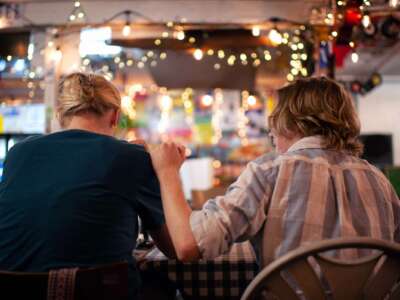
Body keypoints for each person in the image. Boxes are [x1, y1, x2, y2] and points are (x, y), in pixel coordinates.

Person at [149, 77, 400, 266]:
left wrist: (168, 171)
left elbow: (187, 246)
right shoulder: (378, 179)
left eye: (275, 121)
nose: (271, 134)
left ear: (292, 123)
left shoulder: (271, 170)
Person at [0, 72, 175, 298]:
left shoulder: (18, 153)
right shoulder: (131, 157)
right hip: (97, 293)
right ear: (115, 117)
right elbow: (173, 247)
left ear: (60, 114)